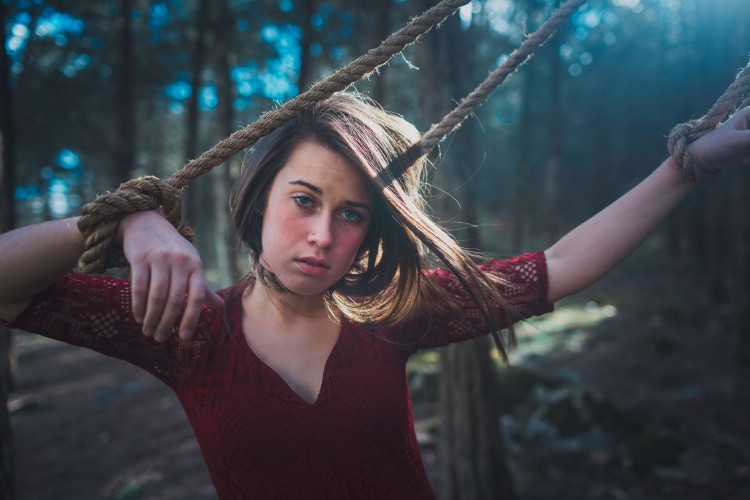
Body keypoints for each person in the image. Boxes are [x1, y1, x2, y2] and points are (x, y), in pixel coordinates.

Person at [1, 92, 748, 499]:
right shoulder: (185, 327)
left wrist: (687, 169)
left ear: (369, 231)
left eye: (350, 212)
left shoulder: (395, 313)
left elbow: (560, 264)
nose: (323, 234)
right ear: (260, 200)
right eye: (303, 199)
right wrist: (131, 219)